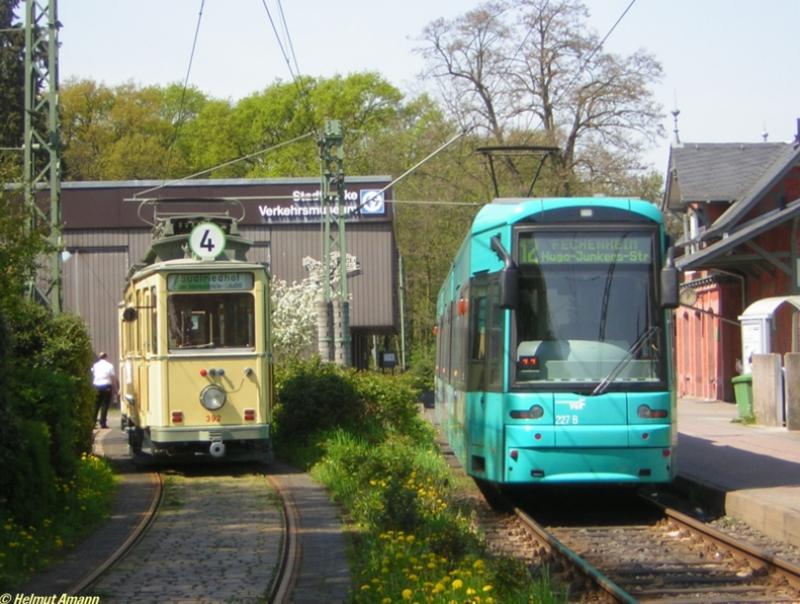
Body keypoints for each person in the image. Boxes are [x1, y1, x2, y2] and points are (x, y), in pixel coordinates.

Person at [92, 352, 116, 429]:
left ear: (99, 357)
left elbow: (93, 372)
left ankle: (93, 423)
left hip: (97, 385)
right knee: (104, 405)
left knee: (96, 404)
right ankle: (103, 423)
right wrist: (114, 388)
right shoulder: (110, 366)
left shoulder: (95, 365)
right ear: (106, 357)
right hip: (106, 386)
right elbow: (113, 378)